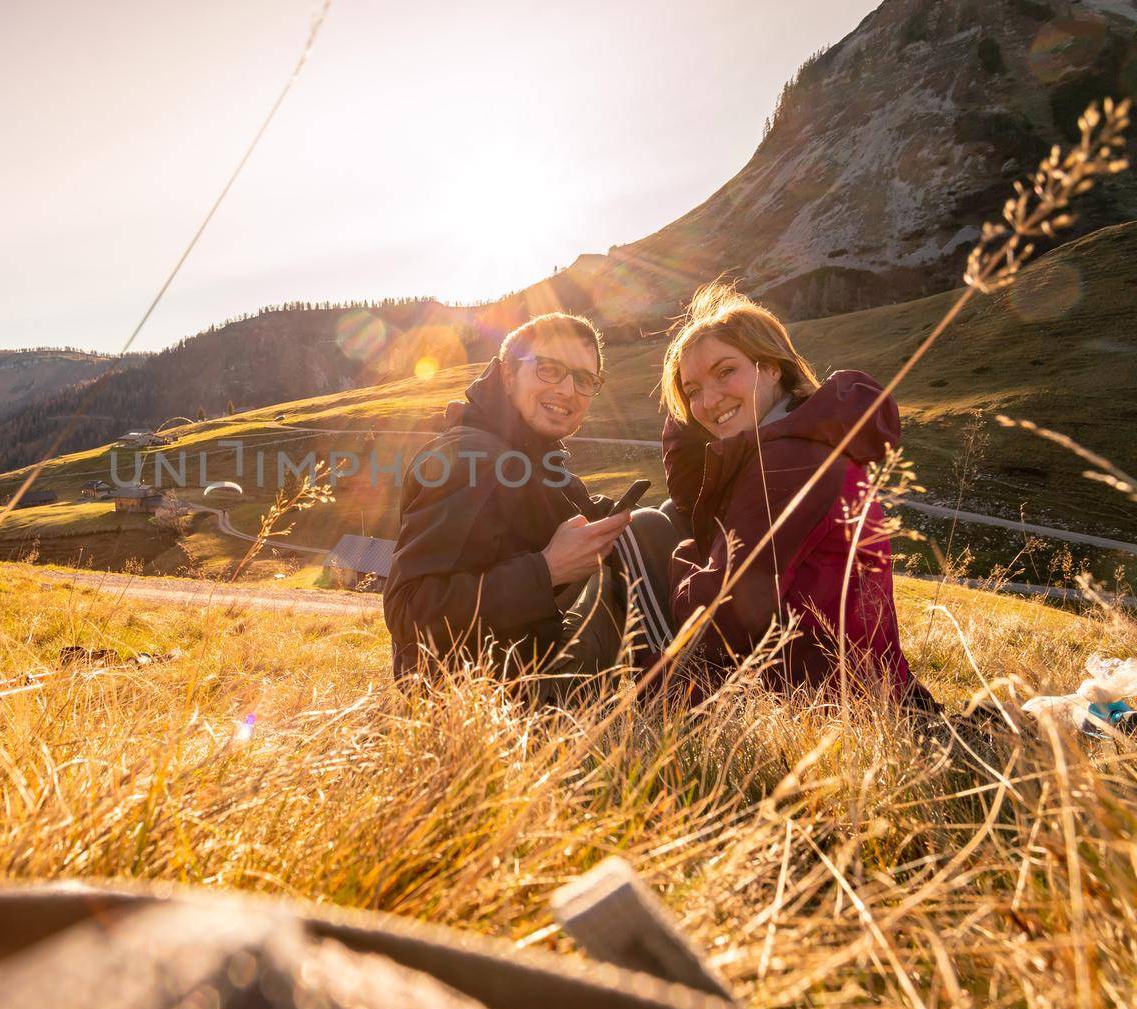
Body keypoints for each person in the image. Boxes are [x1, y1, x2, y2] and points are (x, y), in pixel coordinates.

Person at [655, 282, 933, 705]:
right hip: (857, 686)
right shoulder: (810, 436)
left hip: (810, 701)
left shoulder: (786, 460)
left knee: (642, 534)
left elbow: (721, 619)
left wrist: (678, 563)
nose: (708, 400)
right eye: (692, 391)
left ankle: (565, 698)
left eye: (726, 371)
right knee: (656, 521)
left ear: (771, 368)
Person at [384, 313, 682, 699]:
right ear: (509, 375)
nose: (568, 389)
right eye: (549, 369)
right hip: (481, 706)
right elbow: (409, 610)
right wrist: (548, 569)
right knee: (648, 532)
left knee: (661, 524)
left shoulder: (531, 455)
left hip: (519, 669)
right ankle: (686, 700)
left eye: (584, 379)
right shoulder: (472, 457)